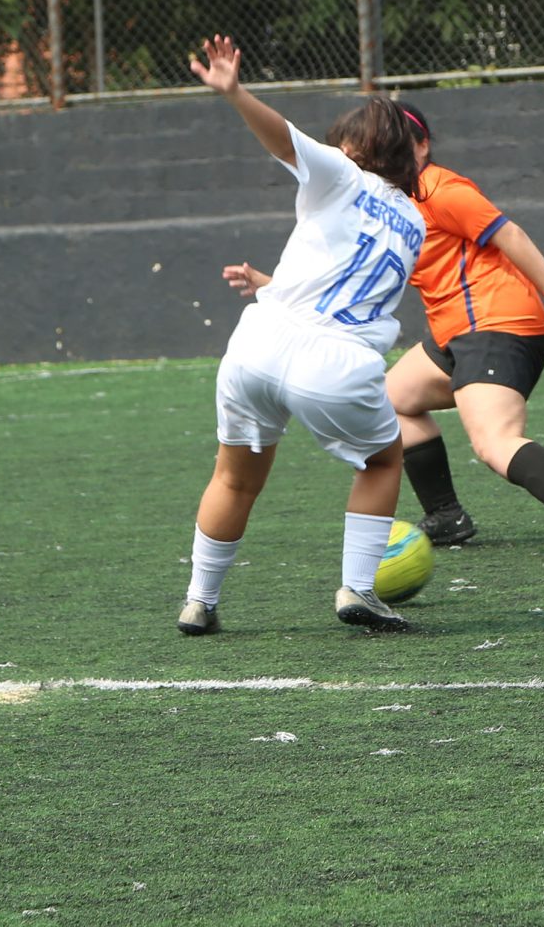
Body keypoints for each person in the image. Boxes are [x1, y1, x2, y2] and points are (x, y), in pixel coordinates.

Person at [222, 101, 544, 559]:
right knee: (390, 401)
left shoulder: (436, 188)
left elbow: (508, 233)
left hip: (493, 324)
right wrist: (271, 285)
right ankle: (446, 515)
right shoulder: (388, 200)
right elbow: (351, 275)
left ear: (420, 146)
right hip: (458, 332)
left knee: (493, 440)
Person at [181, 36, 426, 636]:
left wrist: (235, 93)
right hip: (339, 361)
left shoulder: (339, 171)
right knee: (383, 458)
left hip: (261, 341)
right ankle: (357, 589)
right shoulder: (417, 220)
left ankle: (199, 600)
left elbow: (282, 137)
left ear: (354, 148)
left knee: (233, 476)